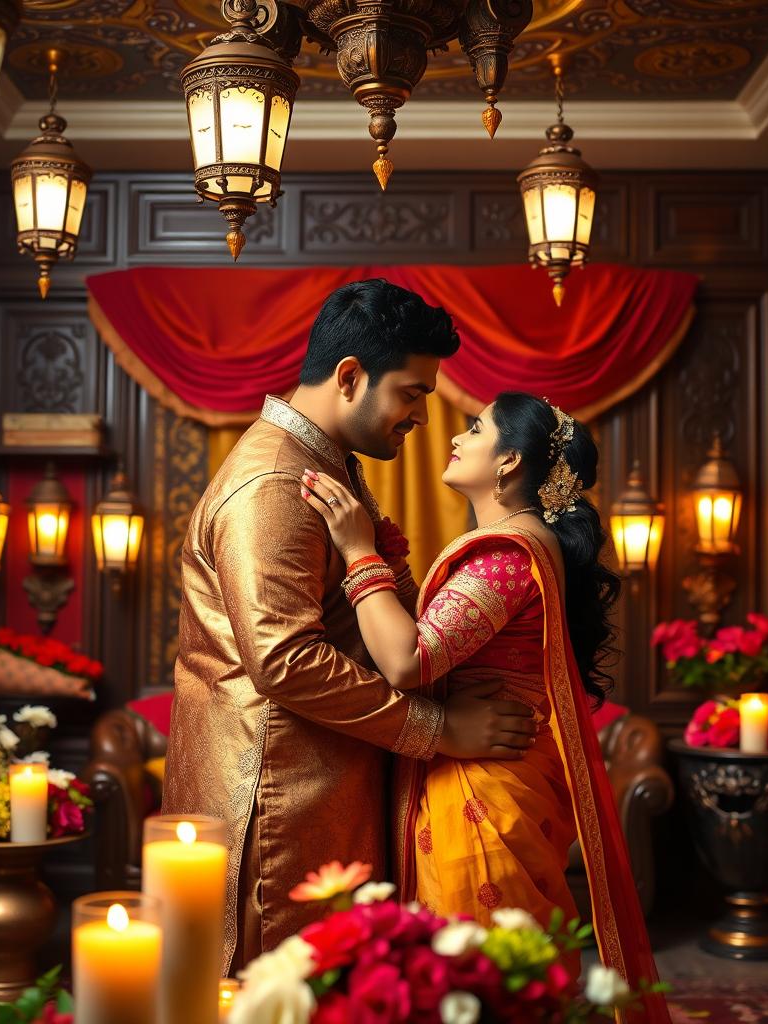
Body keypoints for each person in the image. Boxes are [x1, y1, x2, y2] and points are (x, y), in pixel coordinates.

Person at [162, 281, 537, 975]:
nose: (422, 416)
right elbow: (284, 660)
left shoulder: (322, 464)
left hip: (313, 790)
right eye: (412, 393)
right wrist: (438, 729)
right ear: (349, 376)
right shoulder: (275, 481)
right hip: (275, 804)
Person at [300, 391, 670, 1023]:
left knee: (480, 983)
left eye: (475, 428)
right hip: (493, 771)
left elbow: (407, 661)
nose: (454, 437)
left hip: (485, 787)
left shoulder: (506, 554)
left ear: (509, 462)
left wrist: (358, 552)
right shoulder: (522, 543)